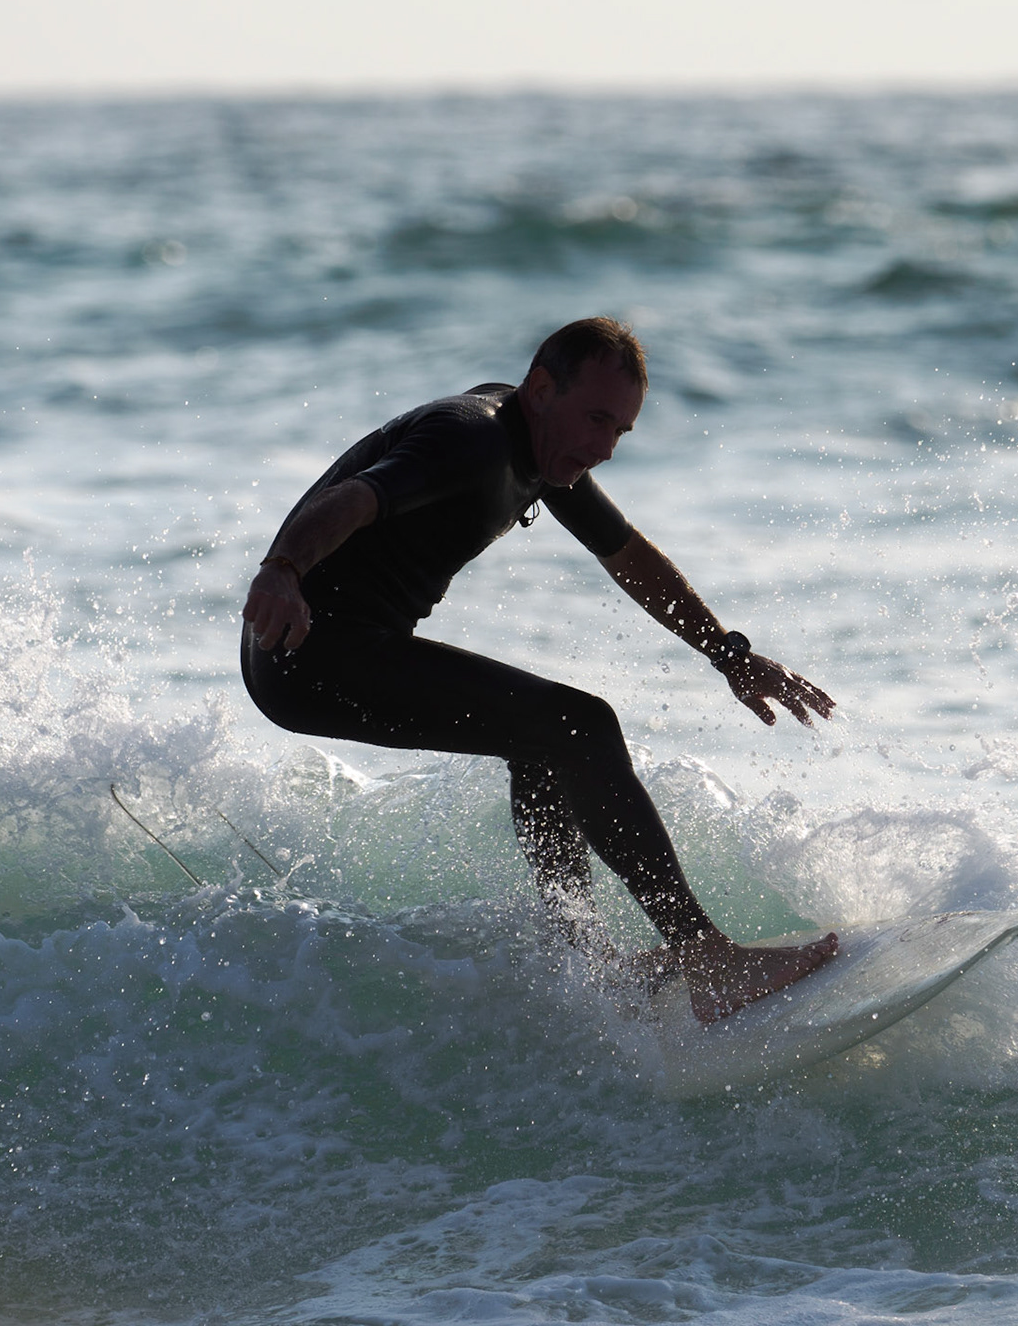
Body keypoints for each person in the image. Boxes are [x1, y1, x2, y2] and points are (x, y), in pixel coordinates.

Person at [240, 317, 839, 1022]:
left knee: (546, 739)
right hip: (309, 650)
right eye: (596, 420)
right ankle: (708, 961)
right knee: (579, 725)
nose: (604, 448)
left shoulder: (544, 445)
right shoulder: (470, 440)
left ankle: (588, 965)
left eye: (620, 431)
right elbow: (356, 497)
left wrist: (728, 654)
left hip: (321, 648)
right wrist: (282, 569)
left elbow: (626, 553)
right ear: (542, 388)